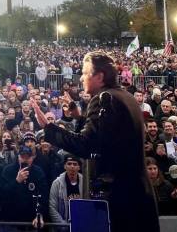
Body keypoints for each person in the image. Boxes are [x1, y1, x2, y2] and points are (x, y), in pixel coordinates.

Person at [32, 50, 159, 232]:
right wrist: (80, 117)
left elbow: (87, 145)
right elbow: (106, 138)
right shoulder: (126, 97)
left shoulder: (104, 98)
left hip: (118, 199)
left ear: (99, 76)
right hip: (135, 195)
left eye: (85, 73)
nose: (81, 78)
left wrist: (48, 128)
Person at [49, 155, 84, 229]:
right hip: (63, 226)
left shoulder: (85, 183)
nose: (72, 166)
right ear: (64, 166)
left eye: (75, 164)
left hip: (81, 224)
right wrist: (63, 226)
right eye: (69, 163)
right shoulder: (56, 183)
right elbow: (52, 208)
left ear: (79, 167)